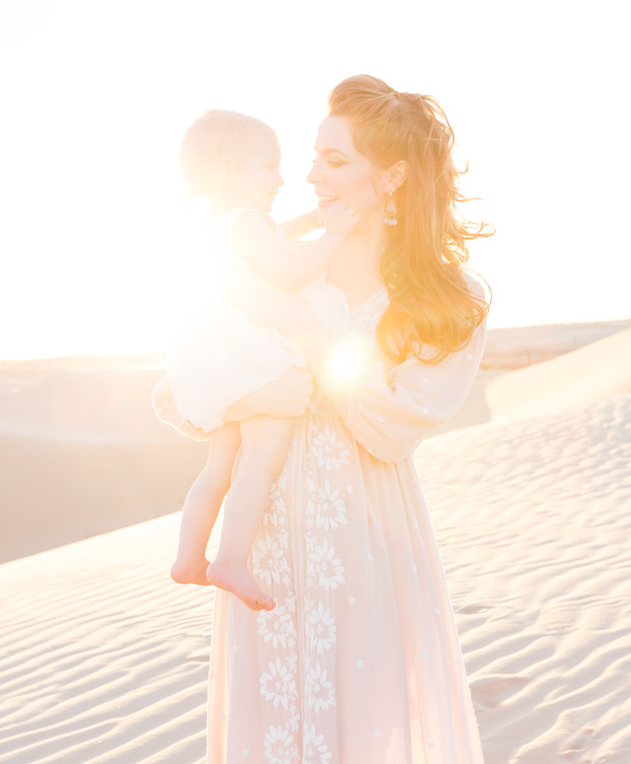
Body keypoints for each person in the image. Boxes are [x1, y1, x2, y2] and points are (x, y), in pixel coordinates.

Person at [152, 75, 493, 763]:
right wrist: (253, 388)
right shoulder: (276, 265)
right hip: (266, 537)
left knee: (365, 723)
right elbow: (181, 396)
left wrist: (303, 334)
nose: (309, 175)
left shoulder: (447, 297)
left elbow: (392, 426)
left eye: (334, 161)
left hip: (369, 539)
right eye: (312, 157)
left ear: (392, 176)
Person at [165, 109, 362, 612]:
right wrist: (334, 235)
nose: (281, 179)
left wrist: (317, 218)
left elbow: (272, 235)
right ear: (232, 171)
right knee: (261, 458)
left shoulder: (222, 223)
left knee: (219, 466)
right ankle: (230, 559)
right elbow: (289, 270)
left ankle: (189, 557)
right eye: (269, 167)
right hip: (257, 360)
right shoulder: (251, 223)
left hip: (221, 363)